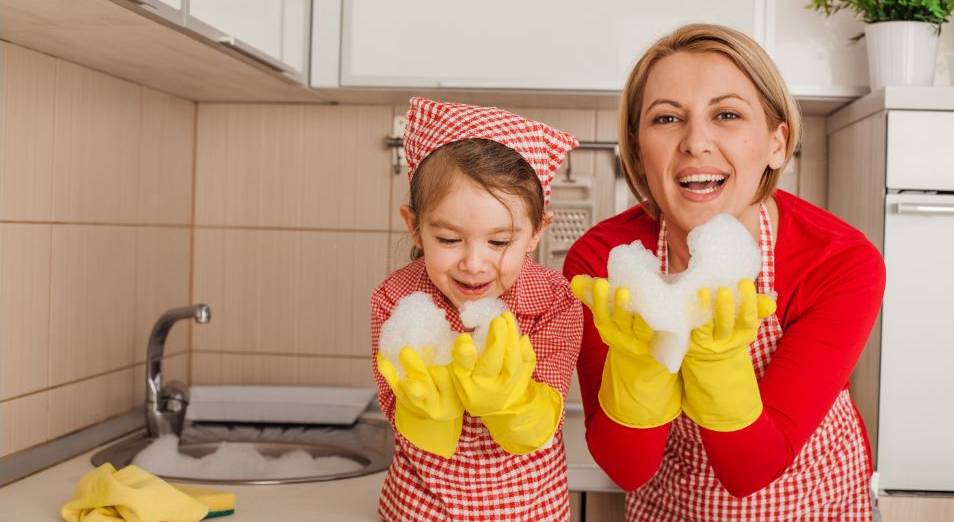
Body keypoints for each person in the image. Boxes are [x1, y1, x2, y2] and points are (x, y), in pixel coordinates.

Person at [563, 24, 886, 520]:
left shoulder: (839, 262)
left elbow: (750, 469)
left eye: (727, 114)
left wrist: (714, 364)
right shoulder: (604, 259)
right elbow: (627, 467)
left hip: (815, 504)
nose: (696, 142)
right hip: (670, 507)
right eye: (667, 118)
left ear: (777, 143)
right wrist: (641, 367)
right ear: (638, 148)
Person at [371, 97, 584, 520]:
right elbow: (394, 408)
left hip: (530, 510)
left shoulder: (554, 300)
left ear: (537, 231)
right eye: (449, 240)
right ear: (414, 225)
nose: (473, 263)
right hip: (417, 509)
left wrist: (513, 404)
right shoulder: (396, 298)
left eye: (499, 242)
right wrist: (425, 411)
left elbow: (546, 419)